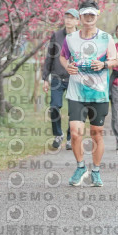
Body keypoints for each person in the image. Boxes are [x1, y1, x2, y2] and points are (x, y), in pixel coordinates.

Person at [60, 0, 117, 187]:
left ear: (97, 16)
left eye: (92, 15)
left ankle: (96, 171)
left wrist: (104, 64)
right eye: (85, 15)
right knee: (75, 133)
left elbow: (115, 60)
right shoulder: (70, 38)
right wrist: (67, 66)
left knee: (96, 134)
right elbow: (63, 56)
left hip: (98, 94)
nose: (89, 18)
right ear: (80, 16)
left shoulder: (106, 38)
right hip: (76, 93)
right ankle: (80, 166)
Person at [42, 9, 79, 150]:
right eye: (67, 17)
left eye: (72, 18)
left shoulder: (81, 37)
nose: (68, 20)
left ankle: (70, 138)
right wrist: (45, 78)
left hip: (74, 79)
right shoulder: (56, 36)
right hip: (57, 77)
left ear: (77, 21)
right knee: (54, 107)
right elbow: (49, 57)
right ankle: (58, 134)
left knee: (73, 110)